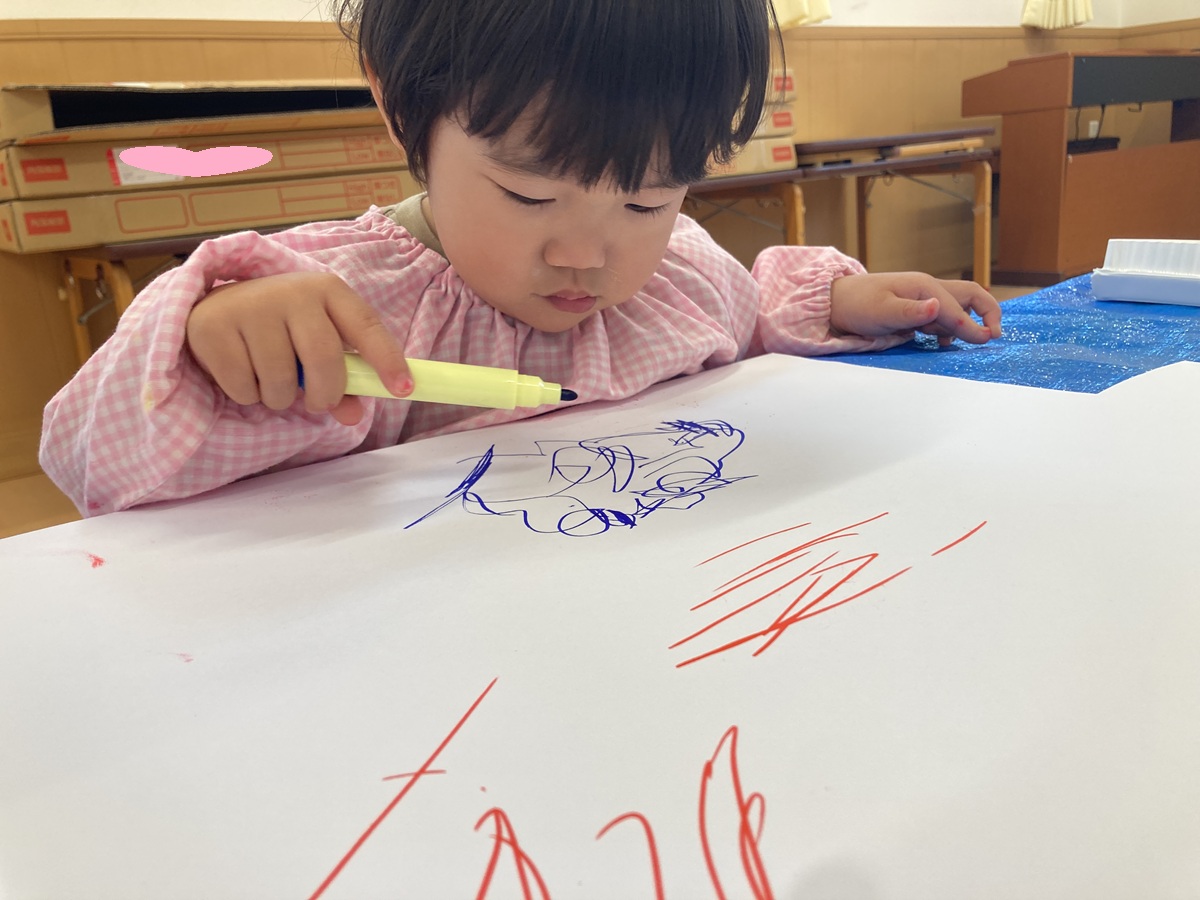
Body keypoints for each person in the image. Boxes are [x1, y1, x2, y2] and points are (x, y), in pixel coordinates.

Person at [40, 0, 1001, 517]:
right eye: (530, 194)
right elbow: (90, 464)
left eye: (648, 199)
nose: (588, 253)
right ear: (400, 105)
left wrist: (836, 300)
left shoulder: (675, 275)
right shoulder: (340, 300)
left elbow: (745, 317)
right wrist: (211, 351)